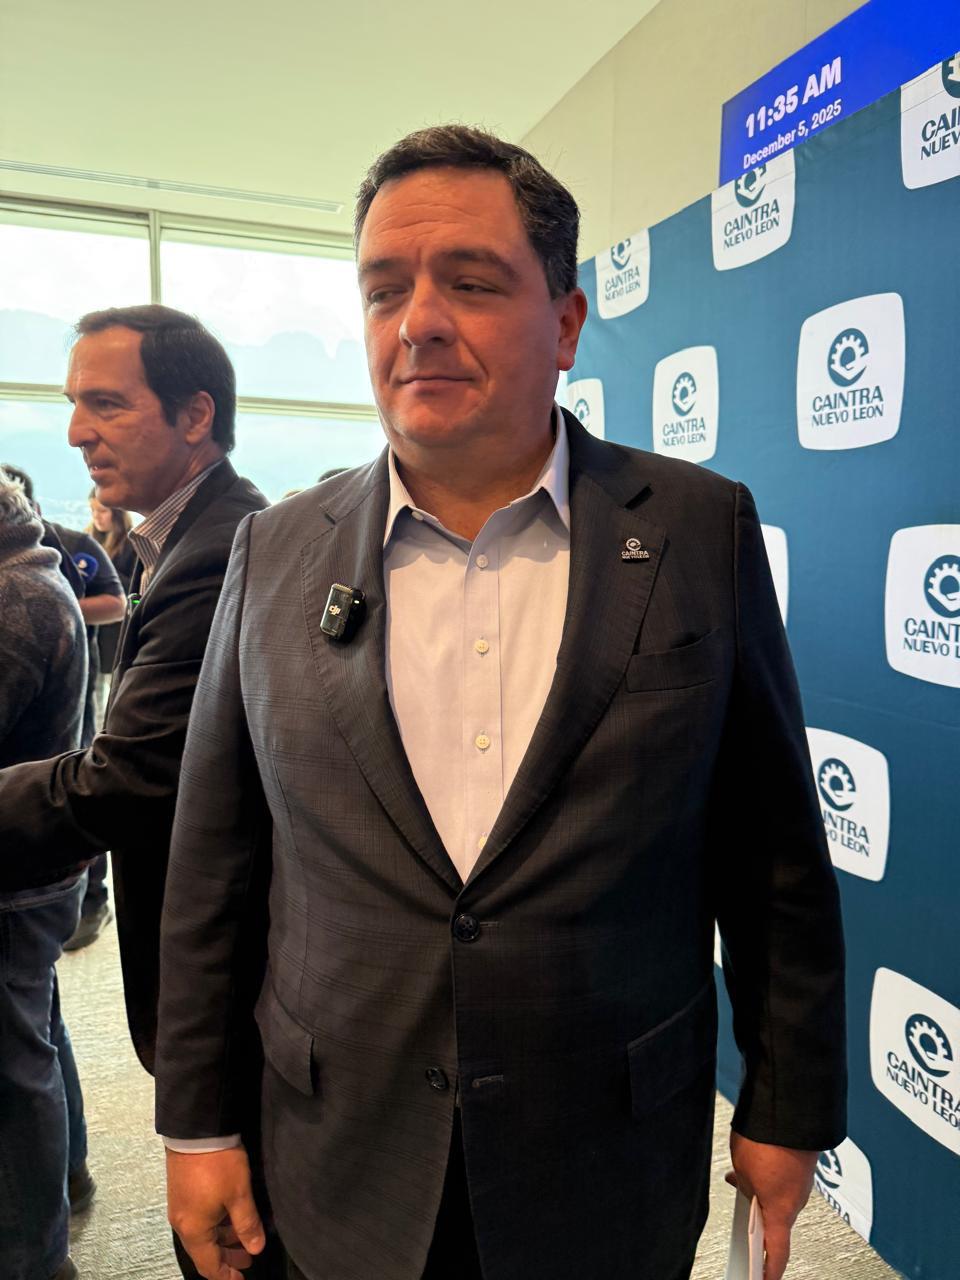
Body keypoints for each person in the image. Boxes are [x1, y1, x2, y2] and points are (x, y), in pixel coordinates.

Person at [156, 126, 846, 1280]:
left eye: (470, 283)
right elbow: (212, 865)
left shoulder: (697, 527)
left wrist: (786, 1102)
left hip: (607, 1152)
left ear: (566, 323)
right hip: (341, 1146)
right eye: (385, 289)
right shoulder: (273, 550)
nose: (418, 321)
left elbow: (774, 854)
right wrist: (195, 1120)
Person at [0, 306, 282, 1278]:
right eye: (74, 403)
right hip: (213, 966)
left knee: (234, 1239)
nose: (77, 430)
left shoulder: (221, 548)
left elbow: (128, 783)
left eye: (106, 404)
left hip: (236, 977)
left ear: (196, 413)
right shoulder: (183, 538)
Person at [0, 467, 89, 1280]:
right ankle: (69, 1179)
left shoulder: (16, 598)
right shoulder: (29, 573)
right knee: (37, 1036)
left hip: (17, 871)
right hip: (38, 861)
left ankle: (35, 1254)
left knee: (15, 1073)